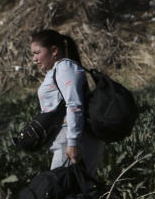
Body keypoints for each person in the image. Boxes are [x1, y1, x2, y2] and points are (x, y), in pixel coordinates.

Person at [29, 29, 104, 176]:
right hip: (67, 143)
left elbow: (74, 105)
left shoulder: (65, 68)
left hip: (72, 143)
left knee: (60, 192)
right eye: (33, 54)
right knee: (74, 193)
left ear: (54, 50)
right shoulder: (58, 70)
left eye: (37, 53)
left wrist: (73, 142)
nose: (34, 59)